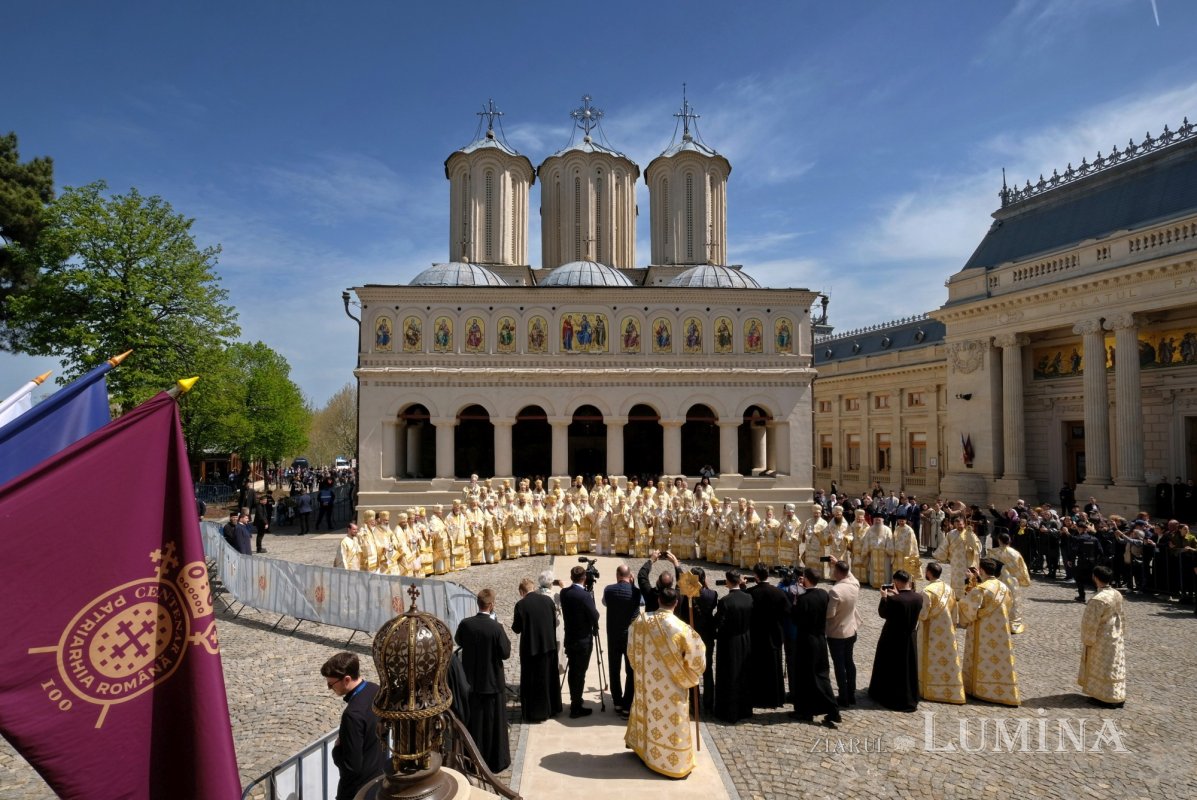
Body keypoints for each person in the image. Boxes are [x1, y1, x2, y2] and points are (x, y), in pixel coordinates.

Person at [624, 586, 706, 779]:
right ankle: (671, 762)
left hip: (647, 682)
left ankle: (645, 751)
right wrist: (688, 675)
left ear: (658, 600)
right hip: (672, 686)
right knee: (671, 720)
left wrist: (641, 670)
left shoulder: (640, 621)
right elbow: (698, 661)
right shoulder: (682, 628)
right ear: (676, 603)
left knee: (649, 714)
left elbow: (631, 651)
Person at [454, 589, 512, 773]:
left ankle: (473, 760)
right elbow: (505, 652)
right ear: (491, 604)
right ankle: (495, 760)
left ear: (477, 604)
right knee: (494, 724)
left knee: (475, 724)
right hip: (492, 682)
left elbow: (458, 640)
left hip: (472, 682)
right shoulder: (496, 628)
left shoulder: (466, 624)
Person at [321, 652, 385, 800]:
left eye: (331, 684)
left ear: (347, 680)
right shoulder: (375, 689)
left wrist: (336, 750)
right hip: (378, 775)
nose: (329, 688)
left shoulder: (352, 715)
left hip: (358, 789)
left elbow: (351, 767)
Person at [958, 559, 1021, 706]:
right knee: (999, 658)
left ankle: (978, 689)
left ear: (981, 570)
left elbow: (967, 607)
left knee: (981, 657)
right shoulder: (1004, 587)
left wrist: (968, 584)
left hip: (982, 630)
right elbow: (1009, 605)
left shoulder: (981, 589)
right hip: (1001, 630)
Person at [789, 568, 842, 728]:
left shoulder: (803, 599)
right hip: (820, 639)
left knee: (804, 676)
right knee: (821, 675)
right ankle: (830, 709)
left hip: (806, 641)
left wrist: (797, 597)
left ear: (806, 579)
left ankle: (806, 710)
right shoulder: (823, 594)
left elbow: (795, 618)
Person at [867, 570, 924, 711]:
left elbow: (883, 613)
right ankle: (910, 695)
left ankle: (888, 695)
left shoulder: (894, 600)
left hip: (893, 637)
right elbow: (906, 605)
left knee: (891, 667)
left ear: (897, 582)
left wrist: (884, 598)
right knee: (907, 667)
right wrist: (897, 595)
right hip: (910, 637)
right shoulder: (918, 597)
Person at [511, 577, 562, 722]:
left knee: (533, 682)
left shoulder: (521, 605)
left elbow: (516, 628)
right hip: (548, 646)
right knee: (549, 678)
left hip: (531, 649)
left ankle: (535, 713)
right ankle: (552, 708)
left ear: (522, 592)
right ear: (533, 588)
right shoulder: (548, 601)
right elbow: (553, 622)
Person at [1078, 565, 1127, 707]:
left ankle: (1104, 697)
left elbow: (1089, 622)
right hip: (1115, 634)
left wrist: (1088, 639)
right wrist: (1122, 631)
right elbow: (1122, 615)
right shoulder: (1116, 594)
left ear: (1095, 578)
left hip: (1101, 637)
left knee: (1101, 667)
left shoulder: (1098, 599)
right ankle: (1117, 695)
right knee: (1114, 665)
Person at [918, 562, 966, 704]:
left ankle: (926, 688)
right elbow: (954, 610)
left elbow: (923, 615)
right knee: (946, 658)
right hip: (947, 631)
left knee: (928, 658)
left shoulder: (927, 591)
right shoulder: (949, 589)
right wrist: (953, 626)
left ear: (928, 573)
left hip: (930, 632)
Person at [712, 569, 754, 723]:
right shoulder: (748, 598)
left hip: (729, 642)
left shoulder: (725, 601)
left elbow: (719, 622)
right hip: (745, 639)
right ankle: (744, 708)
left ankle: (727, 710)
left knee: (729, 675)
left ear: (728, 582)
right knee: (744, 674)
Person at [559, 565, 599, 717]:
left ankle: (575, 699)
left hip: (570, 638)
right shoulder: (585, 596)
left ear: (571, 578)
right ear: (585, 578)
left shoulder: (564, 593)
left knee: (573, 671)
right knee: (580, 673)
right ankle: (576, 706)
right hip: (583, 640)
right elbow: (595, 616)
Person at [601, 564, 642, 717]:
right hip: (630, 636)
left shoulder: (608, 590)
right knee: (630, 670)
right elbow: (641, 602)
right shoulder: (636, 592)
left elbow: (604, 602)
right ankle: (627, 704)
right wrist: (633, 585)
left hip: (614, 635)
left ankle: (617, 702)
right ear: (630, 576)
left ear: (617, 575)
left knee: (614, 669)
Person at [746, 563, 787, 709]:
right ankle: (775, 698)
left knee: (758, 668)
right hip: (775, 634)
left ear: (756, 576)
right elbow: (787, 613)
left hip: (757, 635)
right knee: (774, 667)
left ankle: (758, 697)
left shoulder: (751, 593)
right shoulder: (778, 593)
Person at [678, 566, 718, 713]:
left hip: (691, 637)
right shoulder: (712, 594)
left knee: (691, 669)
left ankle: (694, 704)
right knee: (708, 669)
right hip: (706, 636)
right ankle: (708, 702)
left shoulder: (686, 596)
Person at [825, 560, 861, 708]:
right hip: (851, 629)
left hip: (837, 633)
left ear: (837, 572)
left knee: (839, 665)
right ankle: (851, 693)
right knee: (849, 662)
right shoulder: (855, 584)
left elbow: (830, 614)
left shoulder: (835, 591)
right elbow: (850, 576)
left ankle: (843, 696)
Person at [990, 532, 1032, 633]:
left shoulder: (993, 552)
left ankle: (997, 622)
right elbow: (1021, 568)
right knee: (1012, 601)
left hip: (997, 580)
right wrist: (1024, 580)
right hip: (1011, 581)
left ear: (999, 541)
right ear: (1009, 541)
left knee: (997, 599)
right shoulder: (1015, 553)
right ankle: (1012, 623)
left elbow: (989, 566)